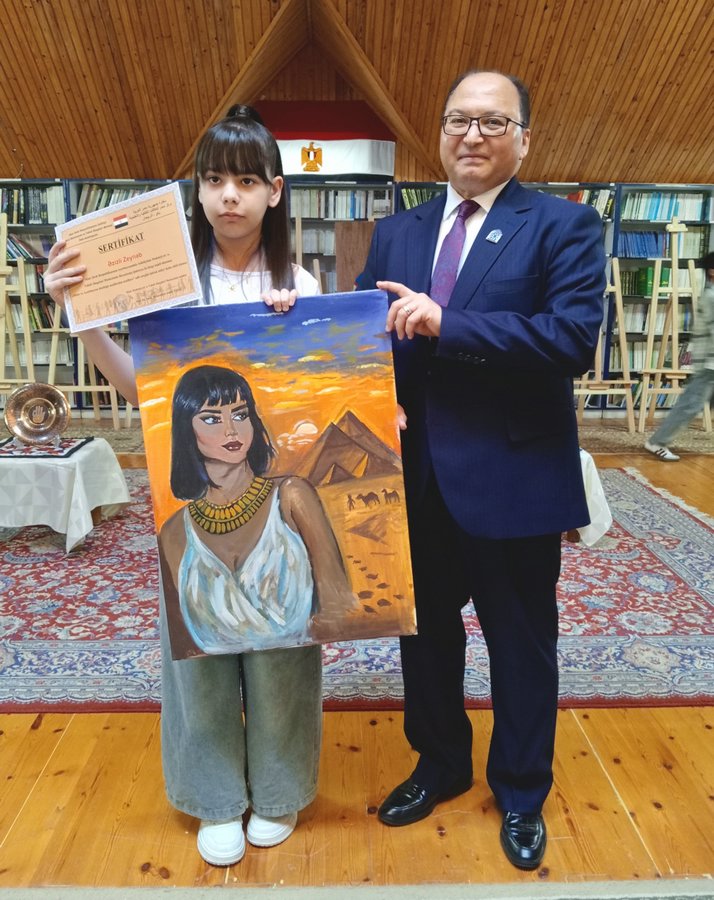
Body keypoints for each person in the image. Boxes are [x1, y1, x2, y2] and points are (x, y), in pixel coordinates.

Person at [43, 106, 327, 867]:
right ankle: (213, 798)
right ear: (196, 190)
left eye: (247, 181)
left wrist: (295, 327)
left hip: (269, 491)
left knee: (284, 640)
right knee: (196, 641)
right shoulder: (167, 283)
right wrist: (84, 318)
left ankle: (279, 790)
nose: (229, 195)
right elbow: (139, 388)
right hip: (190, 498)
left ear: (274, 191)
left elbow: (308, 393)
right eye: (215, 180)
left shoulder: (299, 280)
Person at [358, 70, 605, 870]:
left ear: (524, 140)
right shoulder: (397, 231)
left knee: (521, 645)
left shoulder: (565, 225)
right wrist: (361, 388)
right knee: (425, 640)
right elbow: (366, 336)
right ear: (438, 133)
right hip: (413, 477)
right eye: (459, 120)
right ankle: (440, 763)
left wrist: (448, 323)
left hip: (513, 478)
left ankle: (522, 790)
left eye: (494, 123)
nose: (472, 135)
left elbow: (571, 340)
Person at [160, 363, 355, 658]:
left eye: (240, 415)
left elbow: (338, 607)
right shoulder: (174, 532)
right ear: (186, 430)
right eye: (211, 419)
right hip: (212, 673)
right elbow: (184, 643)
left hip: (289, 665)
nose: (231, 430)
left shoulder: (291, 496)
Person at [644, 251, 714, 461]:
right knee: (690, 405)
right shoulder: (711, 297)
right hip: (709, 363)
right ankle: (657, 442)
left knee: (692, 403)